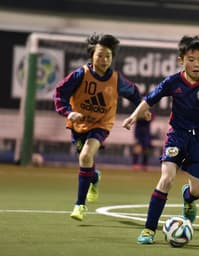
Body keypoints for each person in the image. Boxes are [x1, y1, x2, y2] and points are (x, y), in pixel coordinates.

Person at [122, 35, 199, 244]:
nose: (197, 64)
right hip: (176, 135)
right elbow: (149, 100)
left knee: (198, 191)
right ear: (181, 60)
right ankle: (149, 230)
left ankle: (189, 199)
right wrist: (133, 116)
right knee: (166, 179)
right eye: (192, 59)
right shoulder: (173, 81)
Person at [53, 33, 147, 221]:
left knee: (86, 156)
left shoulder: (116, 79)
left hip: (101, 124)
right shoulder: (80, 75)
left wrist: (142, 109)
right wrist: (69, 112)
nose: (104, 60)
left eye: (108, 56)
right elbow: (59, 94)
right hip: (78, 124)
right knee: (85, 160)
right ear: (91, 56)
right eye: (100, 55)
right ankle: (94, 177)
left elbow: (135, 93)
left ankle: (79, 205)